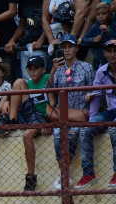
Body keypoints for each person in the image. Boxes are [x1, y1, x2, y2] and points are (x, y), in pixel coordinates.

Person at [47, 33, 92, 189]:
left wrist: (88, 108)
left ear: (76, 48)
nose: (67, 50)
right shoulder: (59, 69)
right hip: (64, 116)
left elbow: (94, 91)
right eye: (64, 47)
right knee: (58, 136)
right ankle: (64, 174)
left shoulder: (87, 67)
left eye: (70, 47)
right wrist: (53, 70)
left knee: (72, 134)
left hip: (80, 113)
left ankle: (66, 175)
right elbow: (49, 90)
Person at [6, 55, 50, 191]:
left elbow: (55, 103)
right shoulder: (27, 83)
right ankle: (11, 120)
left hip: (42, 116)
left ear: (43, 69)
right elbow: (10, 94)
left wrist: (49, 123)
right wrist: (6, 102)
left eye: (36, 68)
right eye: (30, 69)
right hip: (28, 114)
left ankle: (30, 176)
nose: (33, 72)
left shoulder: (48, 78)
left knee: (27, 136)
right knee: (18, 82)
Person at [78, 38, 116, 189]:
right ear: (105, 53)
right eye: (109, 51)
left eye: (115, 51)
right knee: (86, 130)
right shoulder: (101, 71)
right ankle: (88, 173)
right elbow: (95, 96)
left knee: (114, 131)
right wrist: (92, 118)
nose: (113, 54)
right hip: (109, 112)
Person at [81, 2, 116, 69]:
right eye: (98, 14)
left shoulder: (113, 25)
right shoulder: (95, 26)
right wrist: (93, 39)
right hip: (99, 62)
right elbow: (83, 41)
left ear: (109, 14)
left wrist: (109, 32)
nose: (101, 16)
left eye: (104, 13)